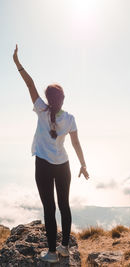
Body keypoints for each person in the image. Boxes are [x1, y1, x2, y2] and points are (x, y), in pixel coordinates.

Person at [13, 44, 90, 263]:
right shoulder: (70, 119)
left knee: (50, 208)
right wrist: (83, 165)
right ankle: (65, 247)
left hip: (44, 166)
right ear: (63, 99)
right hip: (63, 165)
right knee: (64, 206)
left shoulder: (41, 109)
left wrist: (18, 64)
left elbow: (30, 83)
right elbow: (76, 144)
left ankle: (53, 254)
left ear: (48, 99)